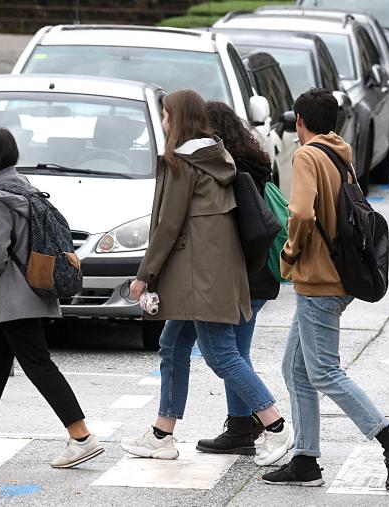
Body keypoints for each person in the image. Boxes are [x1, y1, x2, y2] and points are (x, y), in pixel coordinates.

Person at [122, 90, 292, 467]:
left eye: (166, 115)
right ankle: (162, 434)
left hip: (201, 276)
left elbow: (168, 226)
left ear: (178, 119)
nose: (163, 122)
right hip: (210, 271)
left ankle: (277, 425)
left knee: (220, 354)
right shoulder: (218, 157)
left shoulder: (182, 163)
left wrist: (144, 276)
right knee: (172, 344)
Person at [261, 88, 389, 490]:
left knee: (325, 372)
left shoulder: (307, 156)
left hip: (319, 281)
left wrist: (291, 251)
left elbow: (300, 212)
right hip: (337, 276)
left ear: (299, 121)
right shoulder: (339, 155)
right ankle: (305, 460)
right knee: (295, 368)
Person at [0, 128, 104, 469]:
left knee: (38, 365)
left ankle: (81, 436)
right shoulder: (23, 187)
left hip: (12, 299)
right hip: (28, 293)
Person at [193, 101, 281, 455]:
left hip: (235, 273)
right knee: (238, 353)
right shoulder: (257, 163)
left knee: (222, 354)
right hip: (259, 272)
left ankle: (272, 421)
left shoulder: (224, 170)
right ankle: (241, 427)